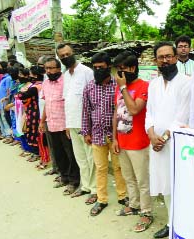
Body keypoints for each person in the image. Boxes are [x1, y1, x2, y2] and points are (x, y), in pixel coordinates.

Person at [145, 42, 191, 238]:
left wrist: (163, 138)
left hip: (176, 143)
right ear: (156, 60)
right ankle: (171, 223)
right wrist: (151, 134)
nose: (165, 60)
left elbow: (183, 117)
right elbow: (149, 113)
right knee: (165, 185)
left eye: (169, 56)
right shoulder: (154, 84)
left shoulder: (186, 82)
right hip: (157, 144)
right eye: (161, 57)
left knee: (178, 185)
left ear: (175, 57)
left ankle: (182, 225)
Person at [81, 52, 128, 217]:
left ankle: (123, 196)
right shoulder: (89, 87)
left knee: (118, 167)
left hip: (116, 136)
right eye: (95, 67)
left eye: (101, 67)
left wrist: (120, 134)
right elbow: (86, 111)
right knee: (100, 168)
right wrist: (86, 132)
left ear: (109, 67)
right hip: (96, 134)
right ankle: (101, 199)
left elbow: (123, 110)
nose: (98, 70)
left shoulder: (118, 86)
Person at [111, 50, 152, 232]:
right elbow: (116, 113)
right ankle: (134, 205)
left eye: (123, 69)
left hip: (138, 142)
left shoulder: (144, 86)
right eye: (117, 70)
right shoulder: (119, 89)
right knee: (128, 178)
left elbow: (135, 110)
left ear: (133, 68)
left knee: (142, 180)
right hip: (122, 140)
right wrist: (114, 138)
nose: (119, 74)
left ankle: (147, 212)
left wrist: (123, 88)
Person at [57, 43, 97, 202]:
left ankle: (95, 189)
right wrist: (67, 124)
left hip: (86, 123)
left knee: (91, 157)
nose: (66, 57)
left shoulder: (87, 72)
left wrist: (91, 125)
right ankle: (86, 186)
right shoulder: (65, 75)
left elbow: (93, 99)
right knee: (80, 157)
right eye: (62, 56)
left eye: (67, 54)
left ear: (73, 53)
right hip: (72, 123)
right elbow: (67, 100)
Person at [39, 58, 80, 195]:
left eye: (51, 68)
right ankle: (64, 177)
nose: (49, 71)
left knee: (71, 154)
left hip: (65, 125)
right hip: (51, 124)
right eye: (47, 69)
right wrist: (42, 121)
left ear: (58, 68)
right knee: (58, 153)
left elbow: (70, 103)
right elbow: (46, 104)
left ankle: (74, 181)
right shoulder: (45, 83)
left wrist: (70, 124)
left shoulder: (66, 82)